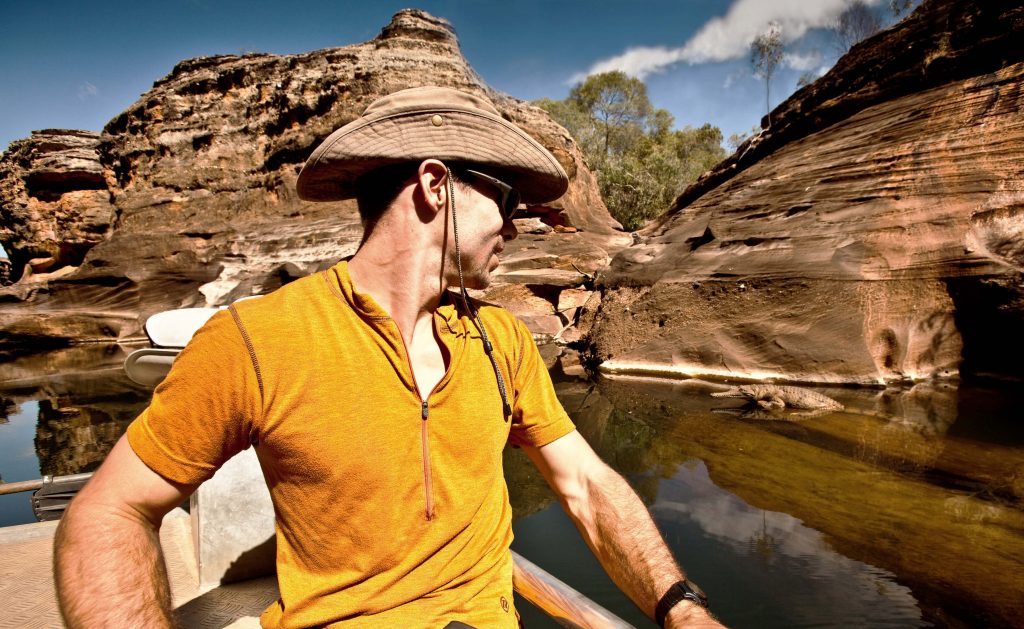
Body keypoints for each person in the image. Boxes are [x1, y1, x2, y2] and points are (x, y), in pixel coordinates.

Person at [53, 86, 723, 628]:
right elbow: (106, 513)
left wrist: (680, 607)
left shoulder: (503, 341)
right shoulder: (257, 341)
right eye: (506, 200)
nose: (515, 227)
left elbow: (588, 486)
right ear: (436, 185)